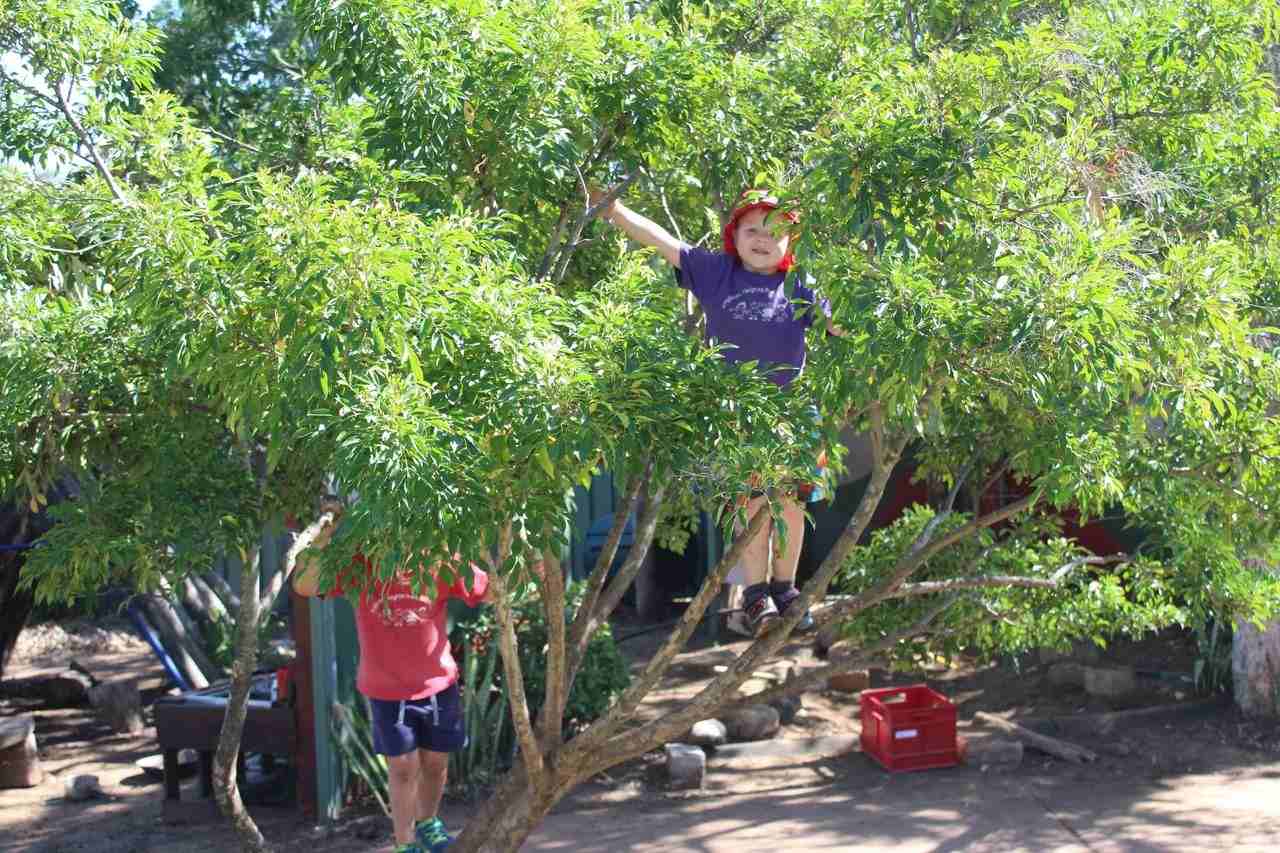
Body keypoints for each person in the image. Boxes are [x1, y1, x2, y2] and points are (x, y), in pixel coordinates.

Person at [591, 187, 838, 636]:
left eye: (775, 232)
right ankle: (757, 593)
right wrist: (614, 210)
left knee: (791, 504)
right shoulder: (716, 273)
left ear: (790, 244)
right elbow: (660, 239)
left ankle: (787, 589)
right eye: (752, 229)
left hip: (794, 416)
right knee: (750, 504)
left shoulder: (801, 285)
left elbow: (840, 324)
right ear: (734, 235)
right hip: (734, 416)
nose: (762, 238)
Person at [291, 511, 489, 853]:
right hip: (387, 689)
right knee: (402, 766)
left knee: (436, 762)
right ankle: (404, 842)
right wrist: (322, 539)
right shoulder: (360, 567)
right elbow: (304, 584)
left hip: (438, 684)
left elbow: (488, 588)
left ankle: (428, 823)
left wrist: (527, 562)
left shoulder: (438, 559)